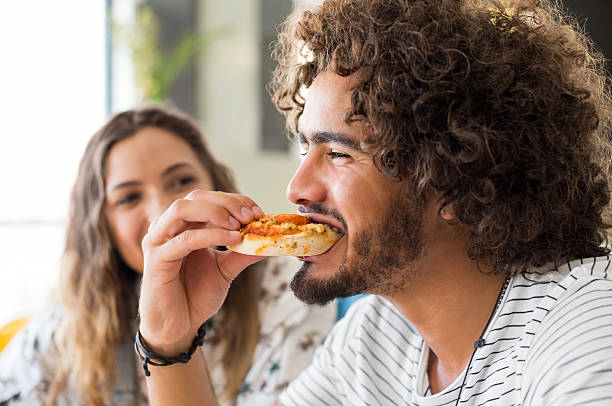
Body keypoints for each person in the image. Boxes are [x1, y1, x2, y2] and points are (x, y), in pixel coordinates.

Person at [136, 0, 612, 404]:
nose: (297, 188)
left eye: (339, 154)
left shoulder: (586, 332)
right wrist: (169, 341)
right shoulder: (379, 333)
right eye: (307, 148)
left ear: (453, 175)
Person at [0, 106, 336, 406]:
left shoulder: (293, 291)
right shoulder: (58, 340)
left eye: (181, 180)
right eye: (129, 198)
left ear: (215, 185)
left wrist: (172, 345)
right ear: (101, 227)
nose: (164, 211)